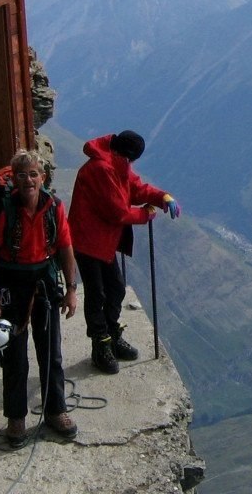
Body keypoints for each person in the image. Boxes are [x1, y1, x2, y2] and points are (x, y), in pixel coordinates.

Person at [0, 149, 80, 448]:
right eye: (21, 175)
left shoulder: (54, 207)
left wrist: (71, 289)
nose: (28, 180)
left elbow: (65, 246)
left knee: (51, 352)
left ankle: (55, 410)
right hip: (12, 283)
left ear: (42, 177)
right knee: (15, 357)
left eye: (33, 174)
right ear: (14, 179)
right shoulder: (2, 212)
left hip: (45, 282)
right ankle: (16, 418)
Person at [69, 130, 180, 374]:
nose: (132, 165)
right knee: (97, 294)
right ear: (127, 155)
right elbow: (117, 211)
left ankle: (111, 334)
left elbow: (136, 188)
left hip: (103, 241)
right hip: (88, 242)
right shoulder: (101, 169)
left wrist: (163, 197)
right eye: (132, 160)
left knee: (116, 288)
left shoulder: (115, 163)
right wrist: (146, 214)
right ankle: (101, 345)